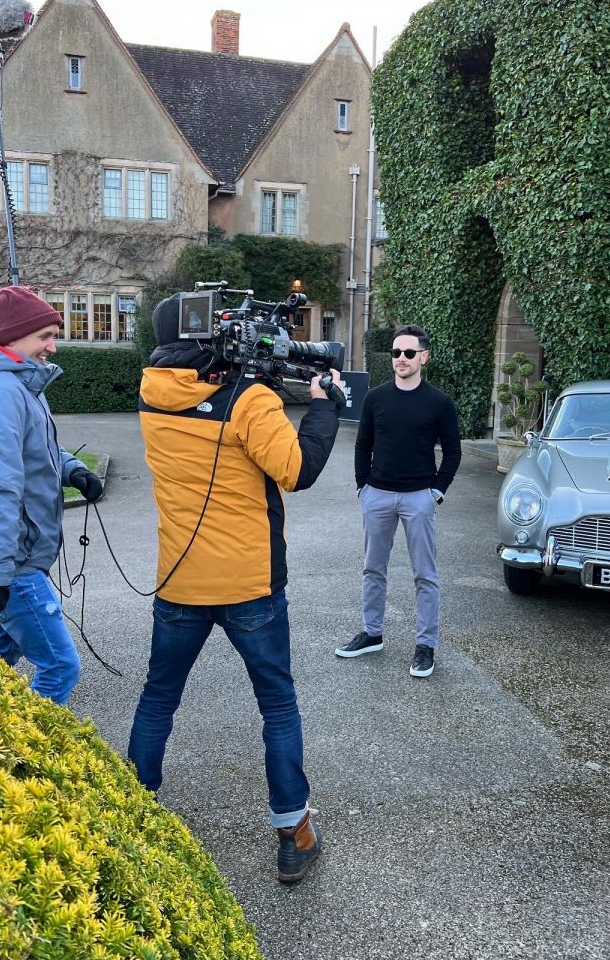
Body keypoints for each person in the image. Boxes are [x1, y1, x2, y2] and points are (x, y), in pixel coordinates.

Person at [128, 294, 341, 884]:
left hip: (180, 579)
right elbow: (297, 471)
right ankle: (294, 833)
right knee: (277, 705)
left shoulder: (151, 394)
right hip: (250, 584)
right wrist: (323, 408)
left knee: (158, 698)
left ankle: (133, 817)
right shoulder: (248, 400)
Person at [0, 286, 103, 705]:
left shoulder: (20, 383)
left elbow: (39, 448)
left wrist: (73, 470)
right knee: (60, 666)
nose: (52, 346)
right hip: (9, 561)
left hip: (13, 555)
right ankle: (14, 745)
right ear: (12, 338)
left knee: (4, 652)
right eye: (44, 336)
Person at [336, 324, 461, 677]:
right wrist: (363, 488)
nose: (401, 359)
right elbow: (363, 445)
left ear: (424, 357)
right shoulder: (376, 398)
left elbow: (453, 451)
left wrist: (436, 491)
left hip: (419, 498)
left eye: (408, 352)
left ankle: (425, 645)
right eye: (396, 352)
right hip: (377, 495)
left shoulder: (439, 402)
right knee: (373, 569)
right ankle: (372, 634)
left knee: (425, 574)